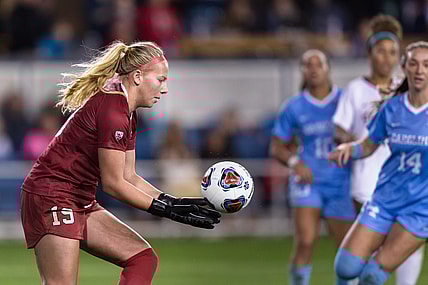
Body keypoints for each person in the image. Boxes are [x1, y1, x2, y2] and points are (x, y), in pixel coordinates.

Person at [20, 40, 221, 285]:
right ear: (137, 76)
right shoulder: (114, 109)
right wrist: (165, 210)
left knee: (143, 258)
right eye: (161, 80)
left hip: (78, 199)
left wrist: (172, 201)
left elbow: (130, 176)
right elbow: (114, 184)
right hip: (52, 197)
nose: (165, 89)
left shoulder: (126, 109)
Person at [333, 15, 424, 285]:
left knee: (376, 273)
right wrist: (350, 146)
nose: (420, 71)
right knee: (347, 267)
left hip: (420, 205)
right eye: (415, 64)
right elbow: (367, 142)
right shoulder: (391, 106)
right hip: (380, 193)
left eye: (427, 65)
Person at [270, 49, 355, 285]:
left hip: (340, 181)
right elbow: (276, 147)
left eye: (319, 64)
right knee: (306, 241)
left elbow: (364, 136)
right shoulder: (294, 106)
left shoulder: (345, 100)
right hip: (308, 182)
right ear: (303, 71)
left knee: (346, 250)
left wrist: (349, 139)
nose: (314, 69)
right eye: (308, 64)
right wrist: (295, 163)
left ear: (329, 68)